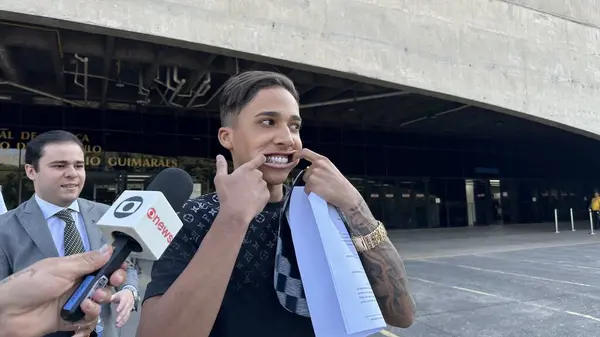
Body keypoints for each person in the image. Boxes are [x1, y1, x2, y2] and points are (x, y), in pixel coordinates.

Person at [137, 71, 416, 337]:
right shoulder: (193, 217)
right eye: (268, 122)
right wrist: (232, 219)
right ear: (227, 137)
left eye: (294, 126)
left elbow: (400, 315)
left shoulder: (322, 214)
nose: (287, 139)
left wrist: (356, 204)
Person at [0, 130, 141, 337]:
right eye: (59, 165)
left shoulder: (108, 215)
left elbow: (128, 266)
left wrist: (130, 290)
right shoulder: (5, 227)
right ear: (31, 171)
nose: (72, 173)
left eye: (79, 165)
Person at [0, 245, 128, 337]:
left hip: (92, 326)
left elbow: (127, 266)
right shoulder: (5, 224)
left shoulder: (104, 213)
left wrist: (129, 289)